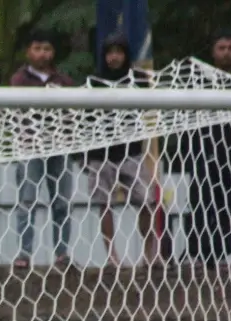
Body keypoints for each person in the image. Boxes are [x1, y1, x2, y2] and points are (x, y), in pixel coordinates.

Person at [178, 29, 231, 270]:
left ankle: (220, 253)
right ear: (213, 52)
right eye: (221, 48)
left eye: (230, 48)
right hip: (203, 151)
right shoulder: (198, 82)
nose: (226, 53)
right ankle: (199, 254)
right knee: (201, 202)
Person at [84, 33, 158, 268]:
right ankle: (112, 257)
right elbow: (84, 119)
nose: (114, 57)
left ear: (126, 55)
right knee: (104, 204)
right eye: (109, 52)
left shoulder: (139, 80)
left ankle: (149, 255)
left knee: (146, 201)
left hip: (131, 152)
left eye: (119, 52)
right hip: (101, 153)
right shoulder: (93, 81)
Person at [9, 29, 75, 270]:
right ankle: (24, 254)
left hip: (60, 147)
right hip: (30, 148)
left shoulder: (64, 81)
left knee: (62, 202)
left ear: (53, 52)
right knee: (27, 200)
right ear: (28, 51)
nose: (42, 54)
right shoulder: (19, 80)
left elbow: (71, 116)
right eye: (37, 48)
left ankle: (62, 253)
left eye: (46, 49)